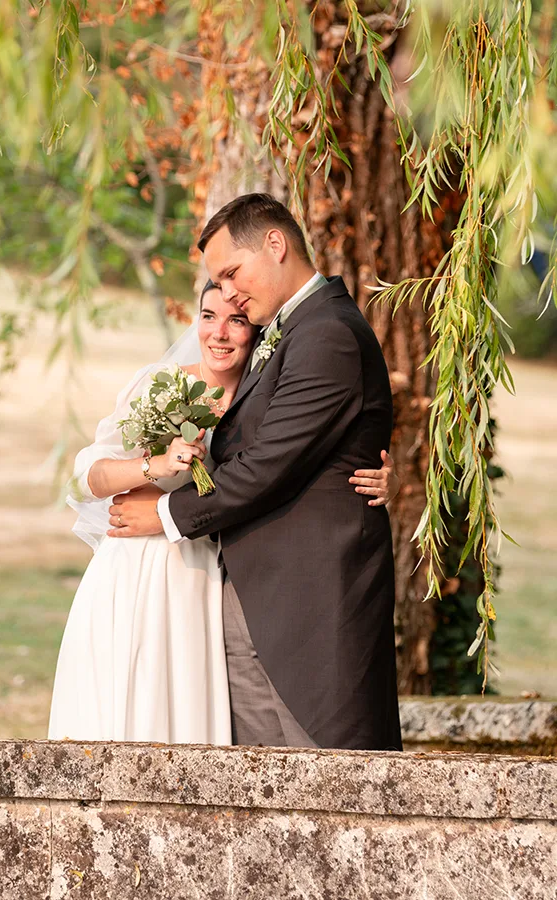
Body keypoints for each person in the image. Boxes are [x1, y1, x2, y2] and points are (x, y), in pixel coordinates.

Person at [107, 193, 403, 752]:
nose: (228, 291)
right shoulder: (283, 332)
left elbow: (268, 467)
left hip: (310, 609)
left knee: (328, 791)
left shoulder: (326, 334)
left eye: (232, 271)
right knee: (261, 801)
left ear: (275, 243)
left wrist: (164, 514)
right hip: (256, 598)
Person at [48, 280, 398, 743]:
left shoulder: (269, 398)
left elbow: (291, 463)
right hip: (139, 572)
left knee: (192, 722)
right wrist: (152, 465)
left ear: (255, 329)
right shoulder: (161, 385)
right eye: (208, 316)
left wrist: (384, 477)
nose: (219, 333)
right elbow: (85, 477)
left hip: (207, 582)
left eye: (235, 319)